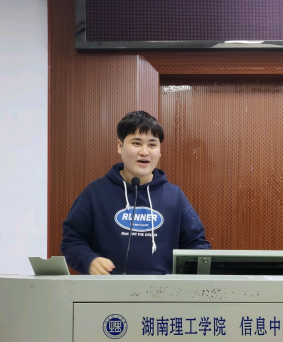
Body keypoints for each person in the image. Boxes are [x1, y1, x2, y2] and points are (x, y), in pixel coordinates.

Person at [61, 111, 211, 275]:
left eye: (152, 145)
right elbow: (72, 241)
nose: (144, 152)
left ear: (160, 151)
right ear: (120, 146)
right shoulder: (95, 192)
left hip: (162, 290)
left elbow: (197, 244)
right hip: (107, 288)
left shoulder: (175, 196)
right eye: (137, 143)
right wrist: (88, 260)